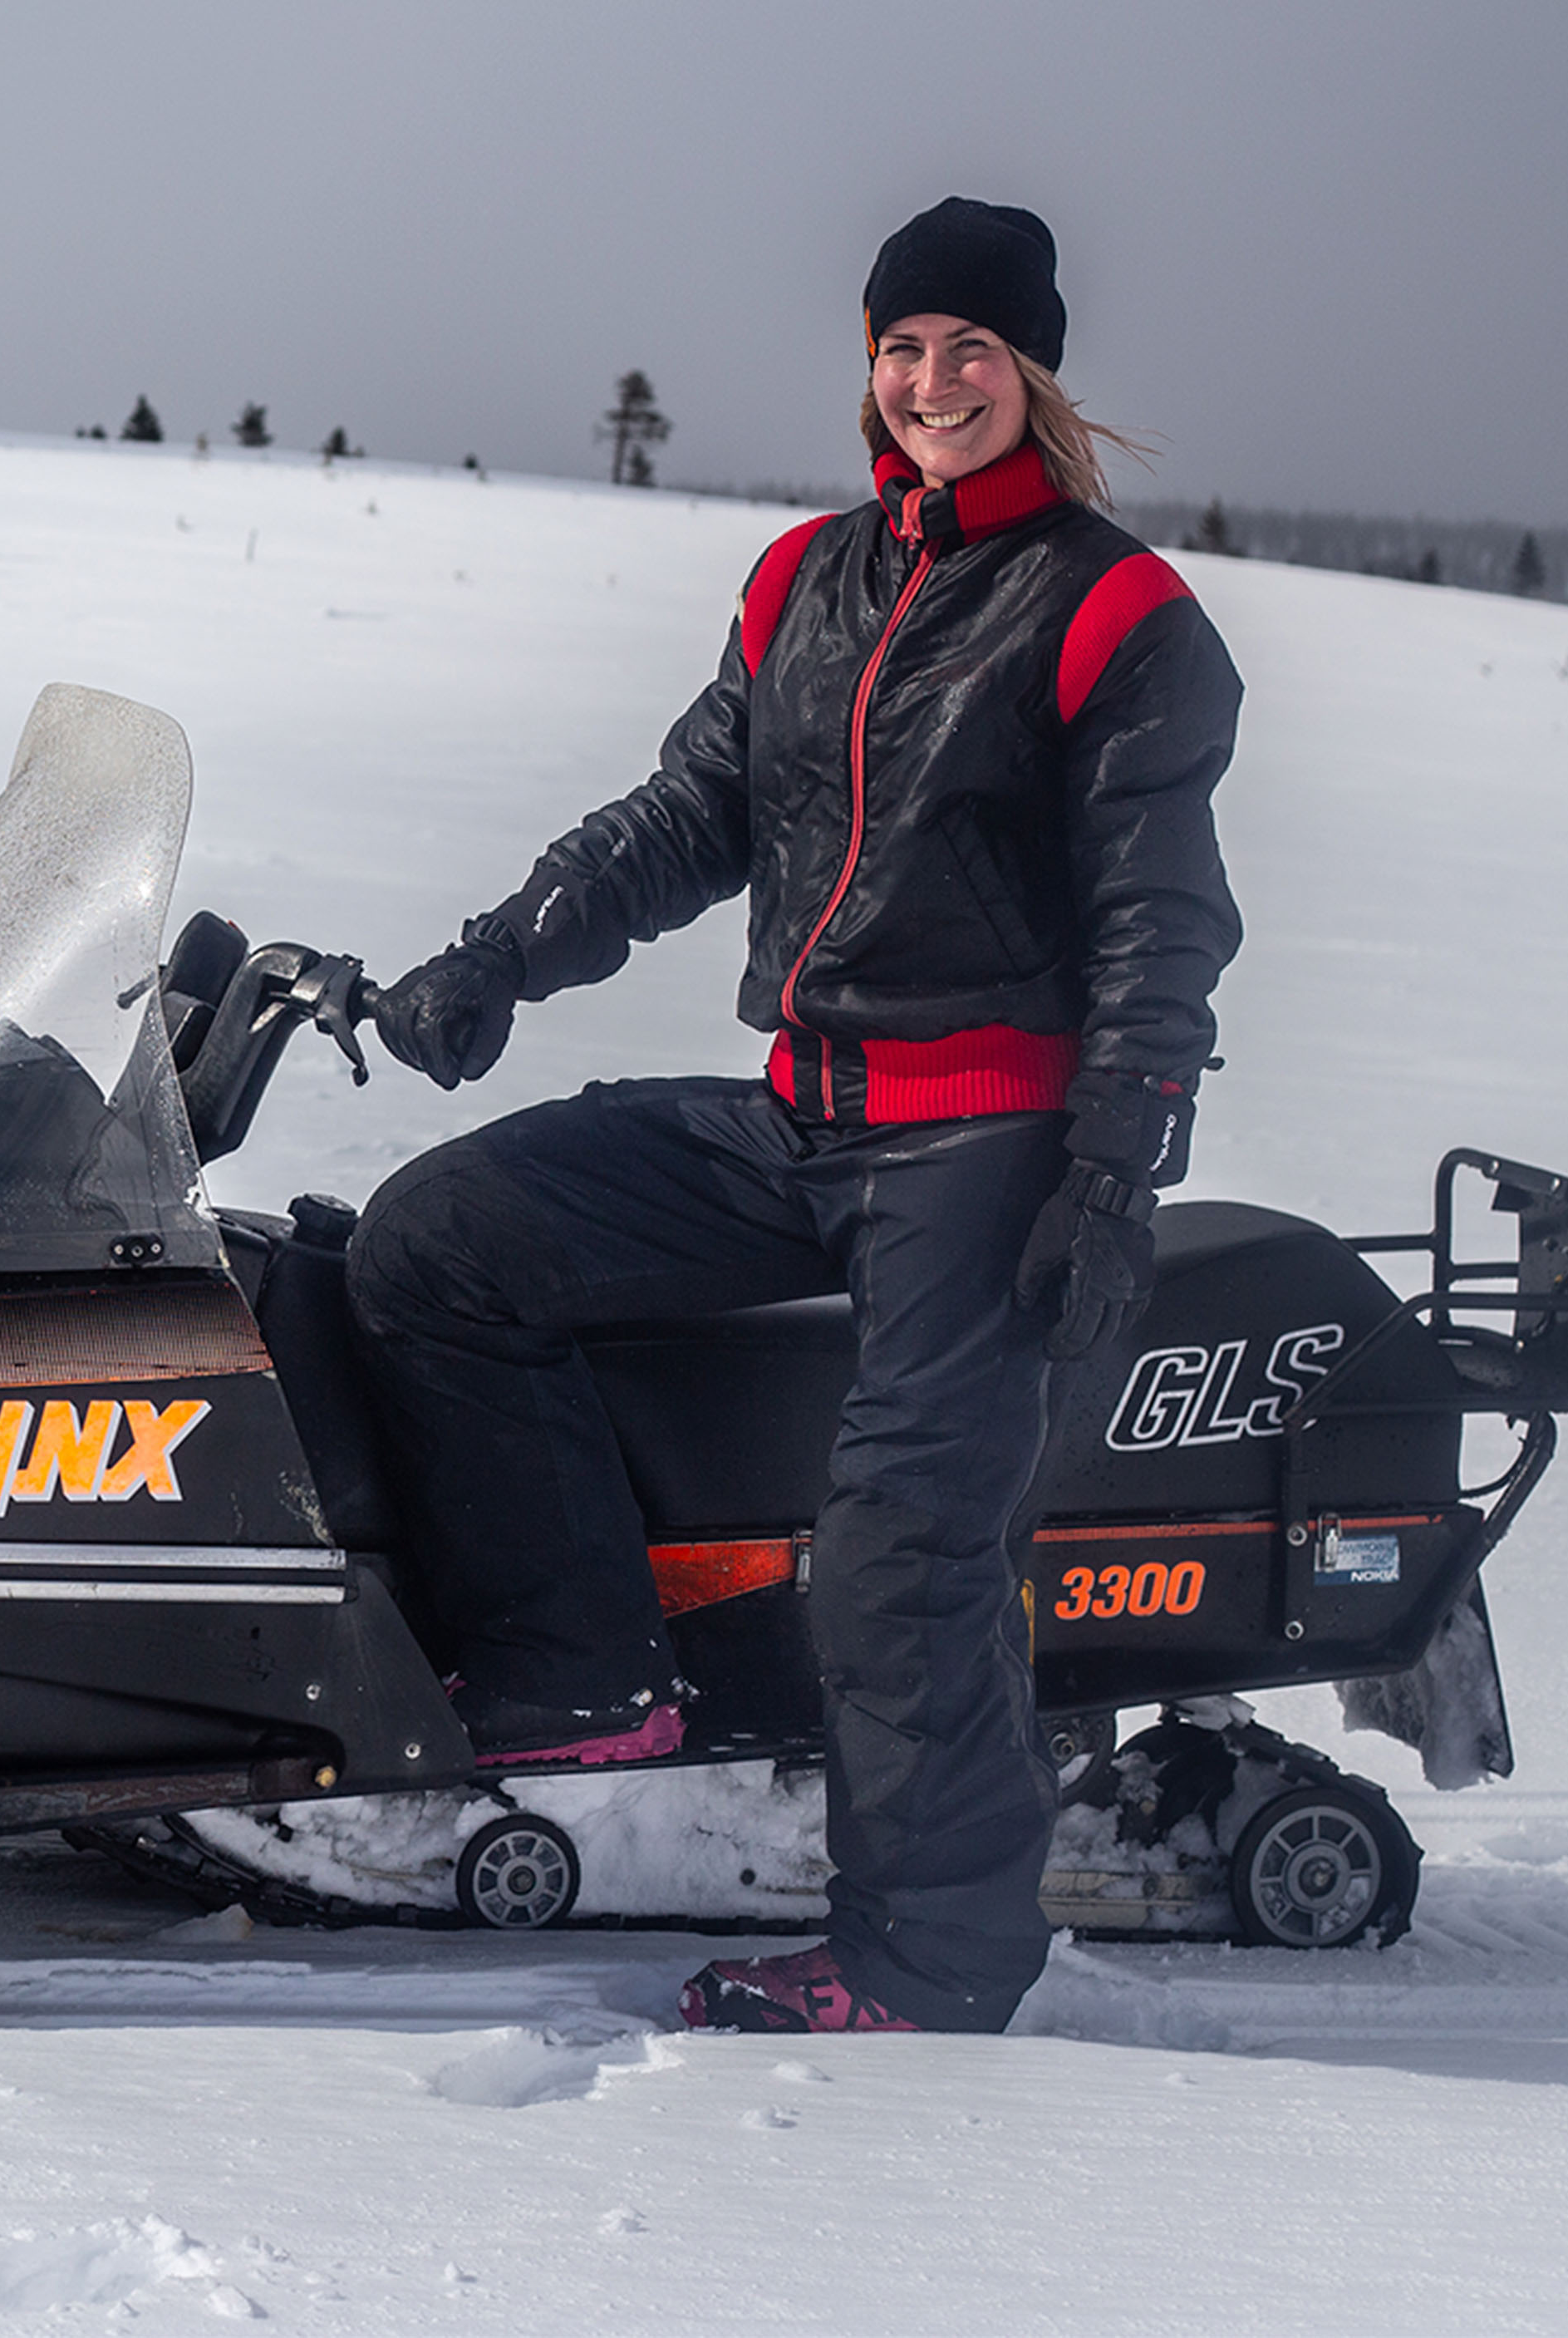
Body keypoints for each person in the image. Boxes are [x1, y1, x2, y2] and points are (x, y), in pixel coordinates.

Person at [345, 197, 1241, 2035]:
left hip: (983, 1149)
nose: (931, 381)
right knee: (438, 1243)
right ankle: (587, 1675)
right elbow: (685, 816)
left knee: (907, 1556)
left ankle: (929, 1964)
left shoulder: (1117, 614)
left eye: (971, 350)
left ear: (1035, 372)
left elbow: (1165, 924)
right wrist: (500, 957)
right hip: (799, 1115)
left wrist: (1111, 1171)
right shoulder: (804, 582)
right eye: (902, 349)